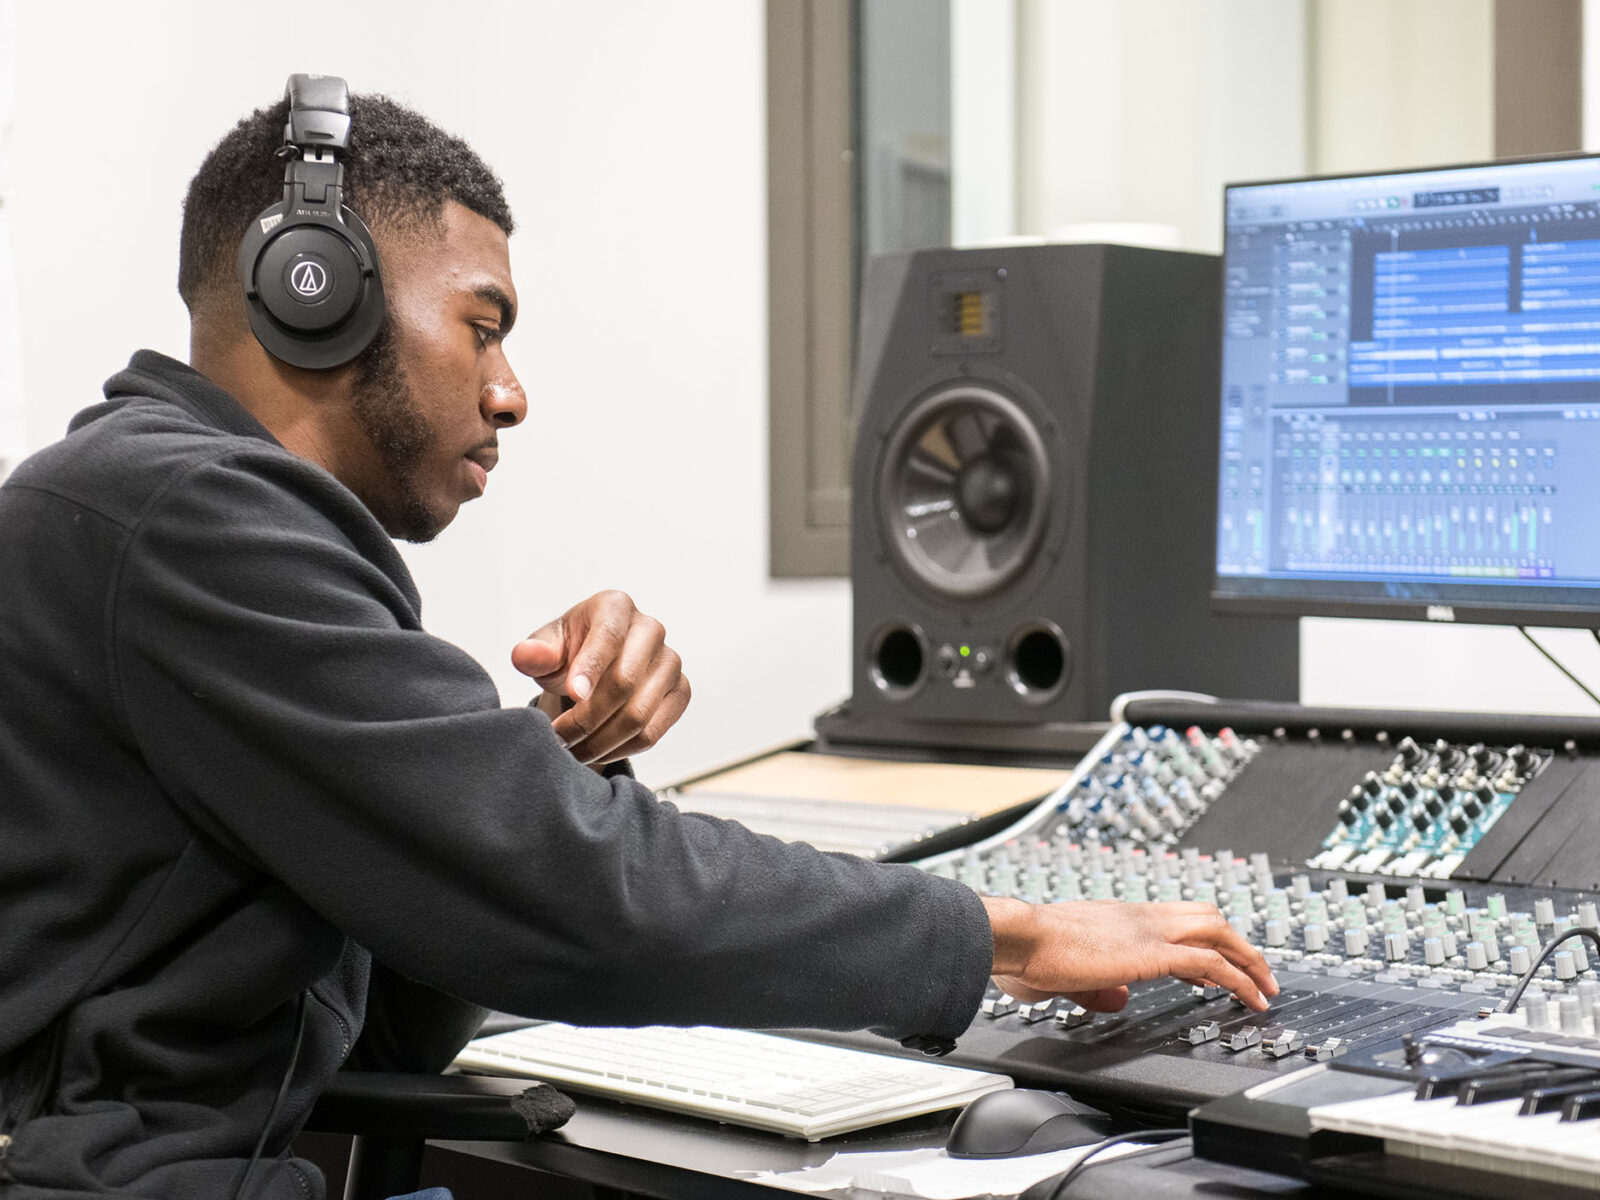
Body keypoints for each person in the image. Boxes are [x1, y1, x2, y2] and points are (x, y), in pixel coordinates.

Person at [0, 80, 1276, 1200]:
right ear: (313, 290)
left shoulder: (170, 524)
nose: (510, 393)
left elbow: (397, 1017)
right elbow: (572, 896)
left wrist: (556, 754)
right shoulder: (185, 520)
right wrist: (1007, 935)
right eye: (483, 325)